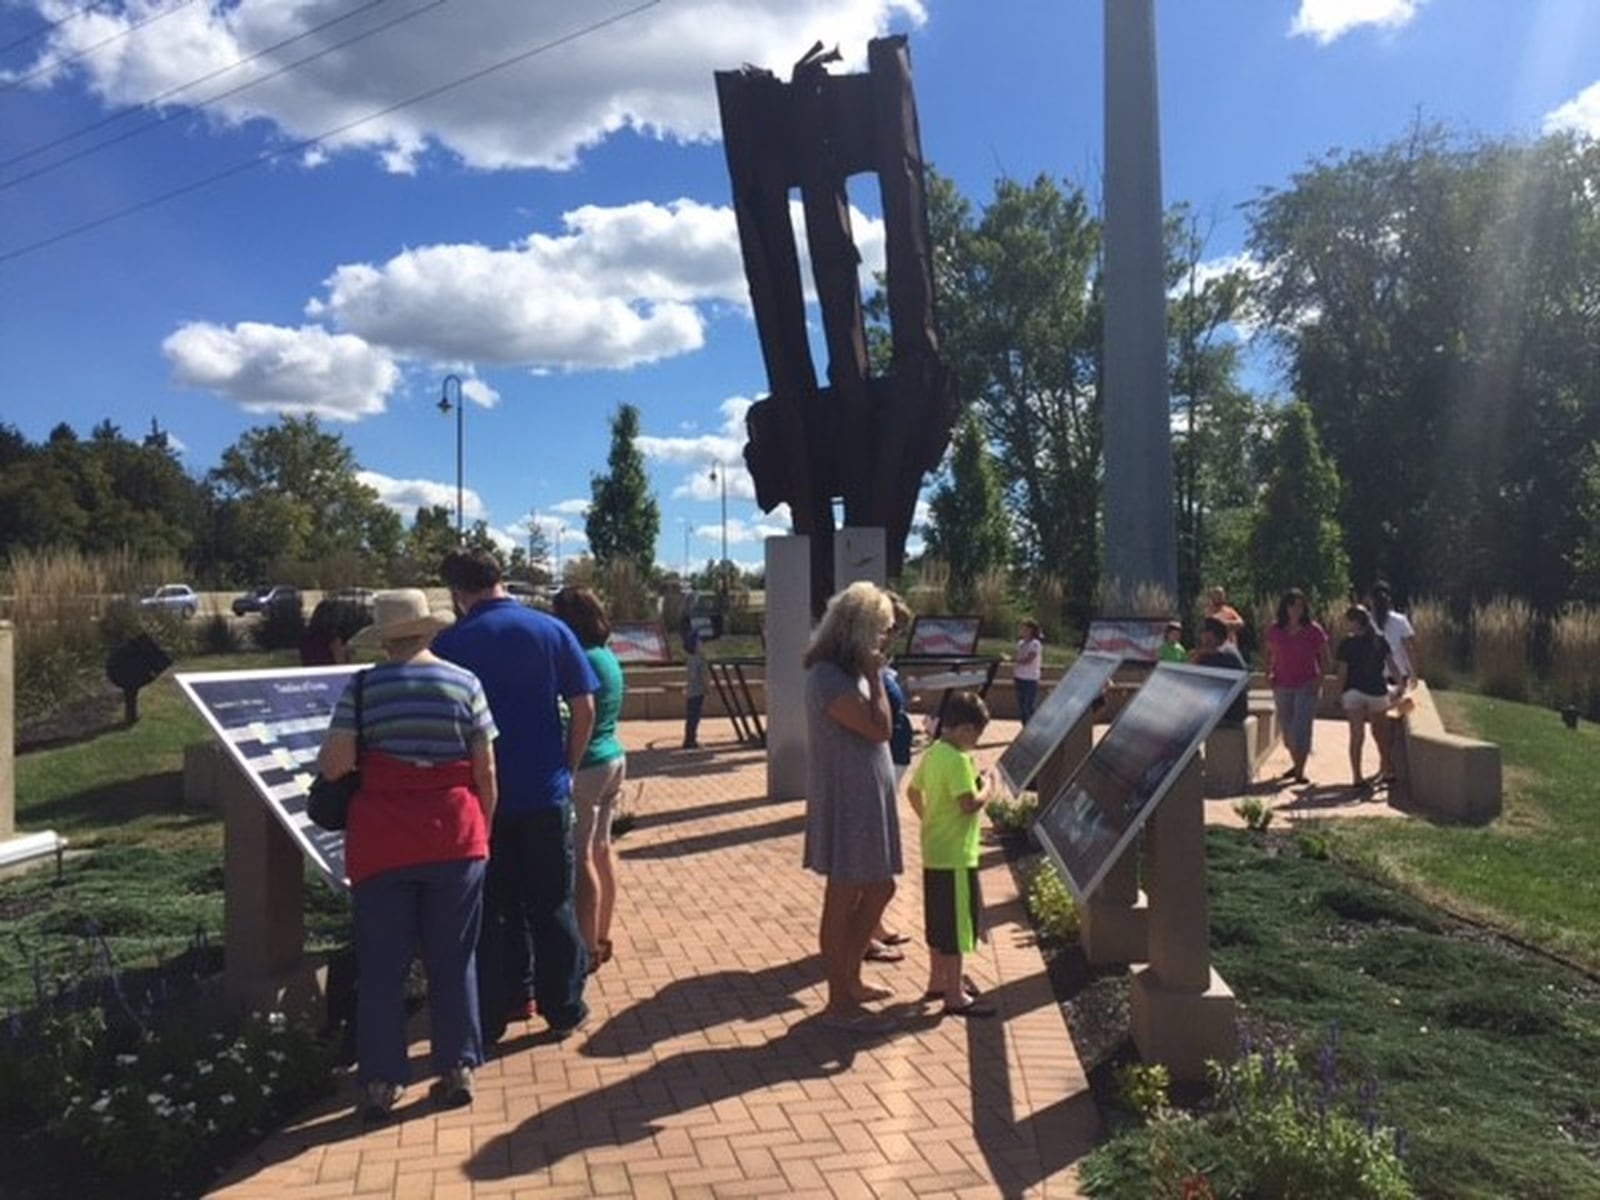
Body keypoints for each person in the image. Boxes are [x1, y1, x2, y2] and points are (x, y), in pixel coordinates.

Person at [316, 589, 497, 1122]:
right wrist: (482, 830)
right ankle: (457, 1066)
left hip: (384, 843)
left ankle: (379, 1080)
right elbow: (486, 769)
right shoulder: (465, 684)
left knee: (381, 966)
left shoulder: (364, 687)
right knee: (453, 958)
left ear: (386, 637)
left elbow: (335, 765)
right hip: (454, 838)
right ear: (428, 630)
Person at [433, 549, 598, 1042]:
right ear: (500, 579)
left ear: (458, 593)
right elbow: (584, 706)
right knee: (552, 903)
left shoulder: (450, 642)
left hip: (481, 801)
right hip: (544, 792)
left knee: (494, 906)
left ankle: (503, 1001)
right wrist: (566, 766)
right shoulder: (550, 631)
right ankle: (563, 1007)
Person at [803, 581, 903, 1033]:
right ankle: (839, 1001)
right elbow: (879, 729)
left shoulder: (847, 672)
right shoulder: (828, 676)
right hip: (848, 798)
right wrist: (878, 676)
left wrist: (871, 673)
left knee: (880, 888)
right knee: (843, 895)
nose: (884, 639)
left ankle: (853, 979)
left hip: (868, 795)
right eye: (881, 629)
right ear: (860, 628)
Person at [552, 587, 627, 973]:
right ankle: (602, 933)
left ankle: (585, 947)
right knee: (602, 848)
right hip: (613, 756)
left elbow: (575, 713)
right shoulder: (607, 657)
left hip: (586, 764)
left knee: (581, 855)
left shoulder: (579, 660)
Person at [908, 691, 995, 1019]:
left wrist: (929, 819)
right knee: (957, 927)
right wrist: (987, 786)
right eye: (977, 736)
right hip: (958, 856)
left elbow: (913, 791)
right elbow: (968, 803)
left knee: (938, 922)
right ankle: (955, 994)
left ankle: (936, 980)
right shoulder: (958, 760)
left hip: (935, 851)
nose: (976, 743)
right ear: (966, 730)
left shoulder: (934, 754)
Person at [1265, 588, 1330, 784]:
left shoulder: (1313, 630)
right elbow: (1269, 654)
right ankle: (1296, 763)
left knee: (1301, 727)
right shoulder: (1275, 630)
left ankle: (1300, 772)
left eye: (1300, 606)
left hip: (1306, 684)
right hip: (1282, 683)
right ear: (1285, 607)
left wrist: (1319, 680)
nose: (1296, 610)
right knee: (1287, 729)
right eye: (1292, 605)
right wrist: (1268, 673)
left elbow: (1325, 657)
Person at [1336, 604, 1394, 787]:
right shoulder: (1379, 640)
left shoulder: (1347, 643)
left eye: (1348, 620)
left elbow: (1342, 672)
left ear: (1355, 622)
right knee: (1380, 733)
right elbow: (1391, 664)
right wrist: (1400, 682)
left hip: (1354, 691)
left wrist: (1339, 693)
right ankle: (1386, 769)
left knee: (1356, 735)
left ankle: (1357, 776)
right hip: (1377, 690)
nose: (1346, 624)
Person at [1191, 616, 1249, 724]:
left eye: (1204, 633)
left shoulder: (1220, 654)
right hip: (1233, 711)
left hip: (1230, 714)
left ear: (1212, 636)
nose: (1201, 637)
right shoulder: (1228, 649)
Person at [1369, 581, 1420, 690]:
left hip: (1372, 676)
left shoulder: (1366, 621)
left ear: (1371, 600)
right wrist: (1413, 673)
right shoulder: (1400, 620)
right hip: (1399, 675)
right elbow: (1410, 648)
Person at [1012, 619, 1043, 725]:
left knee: (1028, 705)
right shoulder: (1020, 643)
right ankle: (1024, 726)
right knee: (1021, 706)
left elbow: (1029, 659)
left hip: (1030, 679)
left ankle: (1032, 727)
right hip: (1019, 677)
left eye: (1024, 628)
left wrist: (1015, 660)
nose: (1022, 630)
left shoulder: (1035, 644)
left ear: (1030, 630)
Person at [682, 630, 707, 749]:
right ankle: (690, 740)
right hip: (697, 691)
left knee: (692, 716)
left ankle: (690, 739)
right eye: (699, 641)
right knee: (694, 716)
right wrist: (707, 687)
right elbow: (701, 675)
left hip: (692, 691)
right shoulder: (698, 658)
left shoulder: (691, 658)